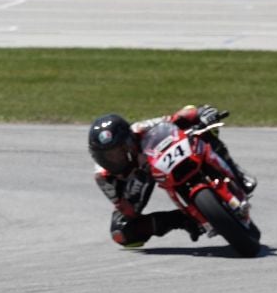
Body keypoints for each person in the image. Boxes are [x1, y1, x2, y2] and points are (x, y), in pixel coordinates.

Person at [87, 104, 256, 248]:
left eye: (118, 151)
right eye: (107, 156)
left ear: (129, 141)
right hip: (139, 180)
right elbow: (129, 210)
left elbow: (178, 117)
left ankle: (237, 174)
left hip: (157, 158)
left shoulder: (140, 129)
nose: (115, 159)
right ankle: (185, 220)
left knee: (203, 132)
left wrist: (200, 112)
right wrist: (140, 177)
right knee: (121, 232)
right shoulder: (103, 176)